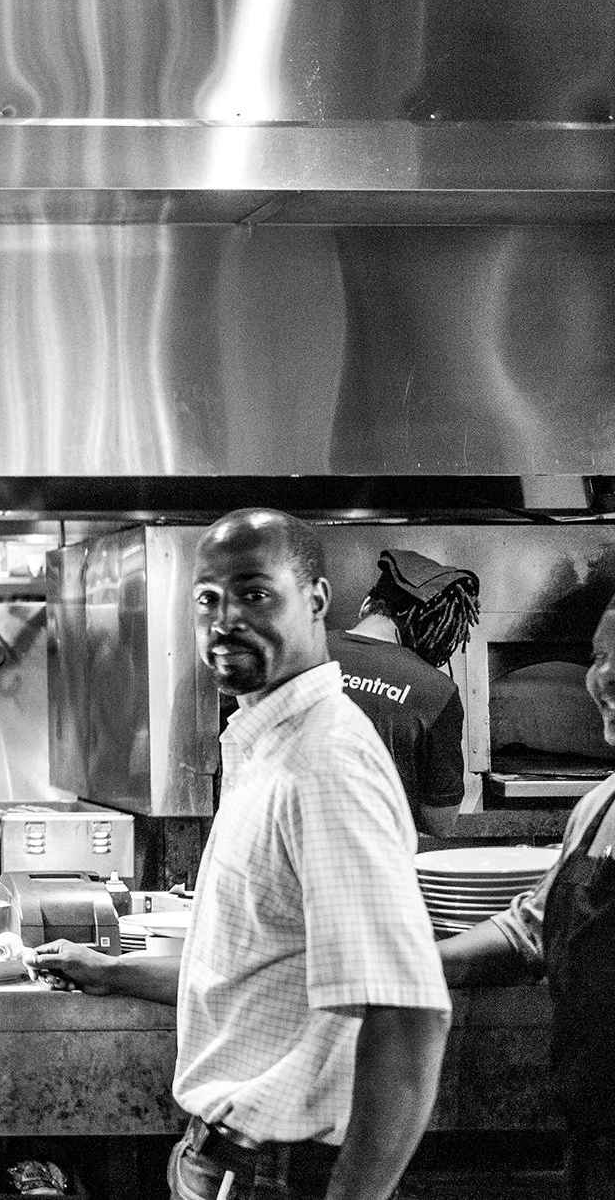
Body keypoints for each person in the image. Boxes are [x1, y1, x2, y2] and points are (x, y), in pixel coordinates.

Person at [31, 509, 450, 1200]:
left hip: (280, 1174)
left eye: (255, 593)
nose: (226, 618)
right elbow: (253, 966)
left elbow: (408, 1014)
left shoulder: (324, 765)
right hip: (226, 1159)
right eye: (208, 598)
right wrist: (113, 969)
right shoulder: (267, 746)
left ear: (315, 600)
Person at [438, 592, 615, 1199]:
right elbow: (532, 929)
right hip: (593, 1139)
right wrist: (410, 965)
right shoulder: (599, 808)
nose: (606, 677)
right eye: (599, 654)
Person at [328, 549, 479, 838]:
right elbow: (441, 823)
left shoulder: (302, 657)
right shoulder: (437, 691)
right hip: (377, 864)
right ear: (432, 631)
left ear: (366, 604)